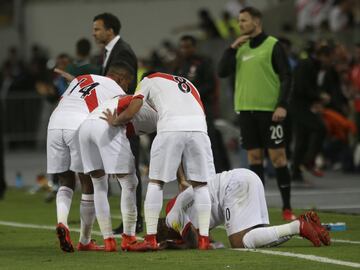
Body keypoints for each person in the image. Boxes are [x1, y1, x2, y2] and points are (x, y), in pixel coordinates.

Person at [102, 71, 215, 250]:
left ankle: (150, 238)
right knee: (201, 185)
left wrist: (115, 121)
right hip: (200, 128)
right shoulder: (186, 82)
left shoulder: (148, 80)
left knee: (156, 182)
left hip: (170, 126)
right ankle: (204, 240)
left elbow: (134, 108)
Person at [218, 7, 294, 221]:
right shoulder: (240, 48)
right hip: (246, 111)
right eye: (239, 21)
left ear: (257, 21)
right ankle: (258, 209)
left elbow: (287, 76)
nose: (240, 24)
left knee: (278, 158)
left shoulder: (273, 45)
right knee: (254, 158)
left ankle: (287, 207)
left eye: (244, 20)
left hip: (270, 112)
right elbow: (221, 72)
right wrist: (231, 48)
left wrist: (282, 105)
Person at [47, 63, 130, 252]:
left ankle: (62, 222)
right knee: (89, 181)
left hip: (54, 123)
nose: (126, 87)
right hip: (77, 123)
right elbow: (122, 114)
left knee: (65, 180)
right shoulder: (115, 87)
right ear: (119, 78)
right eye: (127, 83)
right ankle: (85, 240)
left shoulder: (78, 80)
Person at [160, 168, 330, 249]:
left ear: (165, 229)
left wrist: (169, 246)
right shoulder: (184, 208)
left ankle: (297, 226)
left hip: (234, 186)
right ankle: (305, 224)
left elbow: (191, 240)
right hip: (245, 179)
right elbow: (206, 239)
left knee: (239, 243)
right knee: (257, 238)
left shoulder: (171, 217)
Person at [79, 92, 157, 251]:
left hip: (86, 126)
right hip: (108, 124)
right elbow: (128, 106)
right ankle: (129, 238)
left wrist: (114, 159)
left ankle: (109, 241)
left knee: (99, 185)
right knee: (130, 183)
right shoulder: (150, 104)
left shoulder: (122, 97)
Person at [92, 12, 143, 233]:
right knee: (126, 168)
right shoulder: (110, 52)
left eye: (97, 29)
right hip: (117, 116)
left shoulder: (122, 52)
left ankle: (135, 220)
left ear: (110, 30)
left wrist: (119, 116)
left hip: (123, 116)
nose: (94, 33)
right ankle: (132, 219)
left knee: (129, 168)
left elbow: (122, 87)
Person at [173, 35, 230, 172]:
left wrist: (192, 94)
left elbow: (210, 84)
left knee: (209, 139)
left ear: (194, 47)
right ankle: (197, 171)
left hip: (203, 108)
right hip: (186, 111)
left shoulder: (203, 62)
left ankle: (218, 171)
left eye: (187, 47)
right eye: (182, 47)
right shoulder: (179, 66)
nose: (184, 50)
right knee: (190, 142)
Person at [290, 45, 332, 182]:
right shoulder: (306, 65)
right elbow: (302, 88)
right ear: (323, 56)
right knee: (320, 128)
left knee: (302, 139)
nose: (330, 62)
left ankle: (296, 172)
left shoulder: (313, 66)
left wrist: (316, 98)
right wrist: (319, 96)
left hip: (302, 105)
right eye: (329, 59)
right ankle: (308, 161)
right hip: (298, 106)